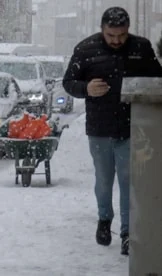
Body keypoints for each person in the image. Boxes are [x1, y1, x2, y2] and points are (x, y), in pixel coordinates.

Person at [62, 6, 162, 256]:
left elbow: (157, 81)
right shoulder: (85, 49)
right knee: (104, 180)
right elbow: (68, 83)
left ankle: (128, 233)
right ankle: (105, 220)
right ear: (102, 30)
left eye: (121, 35)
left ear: (128, 31)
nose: (116, 41)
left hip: (133, 128)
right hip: (100, 128)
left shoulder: (141, 48)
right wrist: (86, 88)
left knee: (130, 183)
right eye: (111, 36)